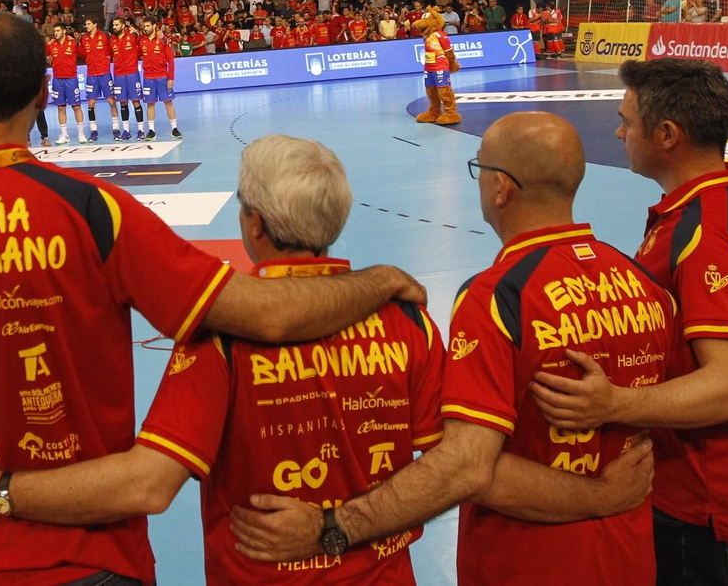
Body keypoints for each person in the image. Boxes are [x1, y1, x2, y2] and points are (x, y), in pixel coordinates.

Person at [0, 12, 426, 586]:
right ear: (44, 92)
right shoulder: (91, 210)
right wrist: (381, 280)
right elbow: (267, 313)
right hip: (94, 557)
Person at [0, 134, 448, 583]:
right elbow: (454, 468)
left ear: (254, 224)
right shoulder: (411, 322)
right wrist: (339, 525)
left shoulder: (223, 337)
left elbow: (149, 483)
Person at [228, 113, 671, 582]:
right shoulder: (644, 280)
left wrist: (332, 528)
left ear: (501, 188)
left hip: (527, 564)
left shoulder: (497, 297)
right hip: (631, 555)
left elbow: (469, 468)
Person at [527, 59, 728, 586]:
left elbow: (725, 386)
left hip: (709, 500)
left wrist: (616, 404)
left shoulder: (707, 235)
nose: (619, 131)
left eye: (627, 120)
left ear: (668, 134)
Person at [411, 7, 460, 125]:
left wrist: (452, 64)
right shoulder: (426, 36)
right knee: (430, 90)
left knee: (444, 90)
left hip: (440, 66)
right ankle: (434, 111)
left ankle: (451, 112)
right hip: (429, 67)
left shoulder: (440, 35)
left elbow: (448, 51)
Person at [139, 18, 181, 140]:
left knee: (168, 102)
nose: (145, 28)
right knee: (150, 104)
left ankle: (174, 129)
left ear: (153, 26)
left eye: (147, 26)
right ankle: (151, 131)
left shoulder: (163, 41)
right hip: (148, 78)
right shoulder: (142, 41)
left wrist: (171, 78)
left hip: (162, 76)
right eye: (144, 26)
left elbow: (170, 60)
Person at [45, 22, 85, 145]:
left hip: (71, 79)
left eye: (58, 31)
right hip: (57, 80)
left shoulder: (73, 43)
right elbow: (43, 53)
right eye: (54, 31)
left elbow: (84, 54)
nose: (56, 33)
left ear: (64, 31)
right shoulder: (51, 45)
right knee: (60, 107)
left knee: (76, 106)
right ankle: (64, 135)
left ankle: (81, 134)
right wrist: (47, 44)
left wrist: (78, 42)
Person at [78, 19, 117, 142]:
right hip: (91, 75)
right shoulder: (84, 39)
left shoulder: (105, 36)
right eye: (86, 24)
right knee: (91, 103)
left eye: (89, 24)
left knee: (111, 101)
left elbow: (111, 50)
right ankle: (93, 131)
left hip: (105, 73)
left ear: (95, 24)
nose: (86, 26)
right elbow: (83, 53)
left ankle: (116, 129)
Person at [110, 17, 144, 140]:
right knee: (123, 102)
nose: (114, 27)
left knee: (136, 102)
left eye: (117, 24)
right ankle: (126, 130)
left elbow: (143, 43)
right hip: (118, 75)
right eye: (113, 25)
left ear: (123, 25)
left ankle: (141, 130)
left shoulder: (133, 37)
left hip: (132, 74)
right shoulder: (112, 40)